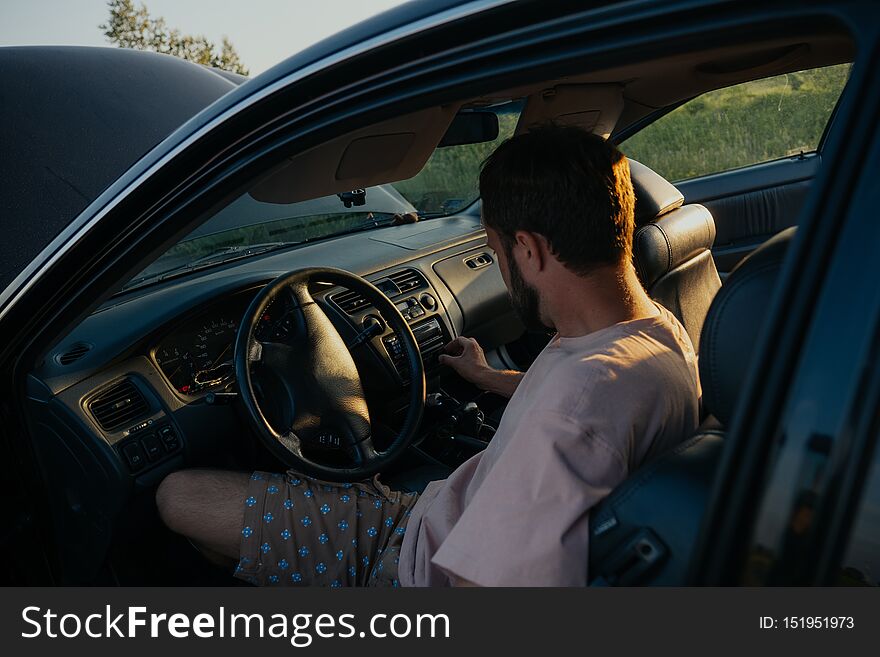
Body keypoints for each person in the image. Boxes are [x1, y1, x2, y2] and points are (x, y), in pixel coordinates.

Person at [156, 124, 701, 587]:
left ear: (529, 249)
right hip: (444, 514)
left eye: (495, 252)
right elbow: (580, 411)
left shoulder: (571, 414)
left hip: (404, 559)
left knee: (178, 496)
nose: (500, 268)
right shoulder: (652, 332)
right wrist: (489, 378)